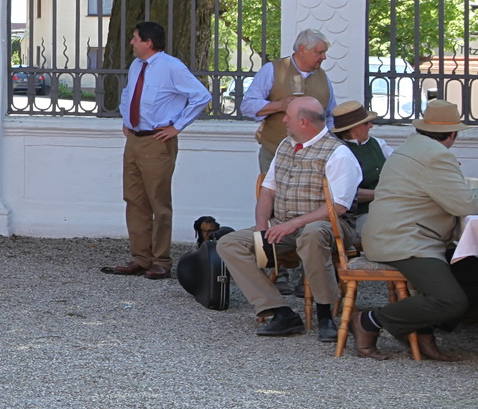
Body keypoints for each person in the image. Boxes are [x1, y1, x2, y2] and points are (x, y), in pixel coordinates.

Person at [215, 96, 358, 340]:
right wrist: (262, 229)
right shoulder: (285, 145)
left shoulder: (339, 153)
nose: (283, 121)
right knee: (229, 243)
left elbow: (338, 207)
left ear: (303, 122)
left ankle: (326, 315)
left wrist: (294, 223)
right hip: (282, 225)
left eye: (288, 117)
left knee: (311, 236)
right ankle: (279, 311)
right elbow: (268, 190)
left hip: (328, 227)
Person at [352, 100, 478, 361]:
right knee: (451, 300)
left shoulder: (411, 147)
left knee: (471, 272)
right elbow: (464, 203)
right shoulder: (436, 155)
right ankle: (369, 321)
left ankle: (422, 331)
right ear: (452, 134)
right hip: (404, 240)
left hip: (398, 234)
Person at [100, 21, 211, 280]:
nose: (131, 42)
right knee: (134, 200)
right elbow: (129, 93)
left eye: (135, 38)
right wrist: (127, 119)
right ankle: (140, 258)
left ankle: (161, 260)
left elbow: (201, 96)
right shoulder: (137, 65)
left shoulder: (172, 67)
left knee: (158, 203)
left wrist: (177, 127)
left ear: (148, 42)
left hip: (157, 142)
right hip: (135, 140)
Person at [241, 29, 336, 174]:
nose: (324, 57)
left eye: (324, 52)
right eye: (319, 52)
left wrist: (326, 141)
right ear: (302, 49)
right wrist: (280, 105)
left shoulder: (323, 77)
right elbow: (247, 106)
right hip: (275, 152)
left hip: (314, 157)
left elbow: (330, 114)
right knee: (271, 195)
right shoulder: (272, 70)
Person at [332, 99, 393, 227]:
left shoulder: (378, 144)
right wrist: (383, 193)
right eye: (366, 123)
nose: (371, 125)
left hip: (386, 208)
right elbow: (344, 194)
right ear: (353, 128)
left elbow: (399, 164)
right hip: (357, 216)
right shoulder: (337, 152)